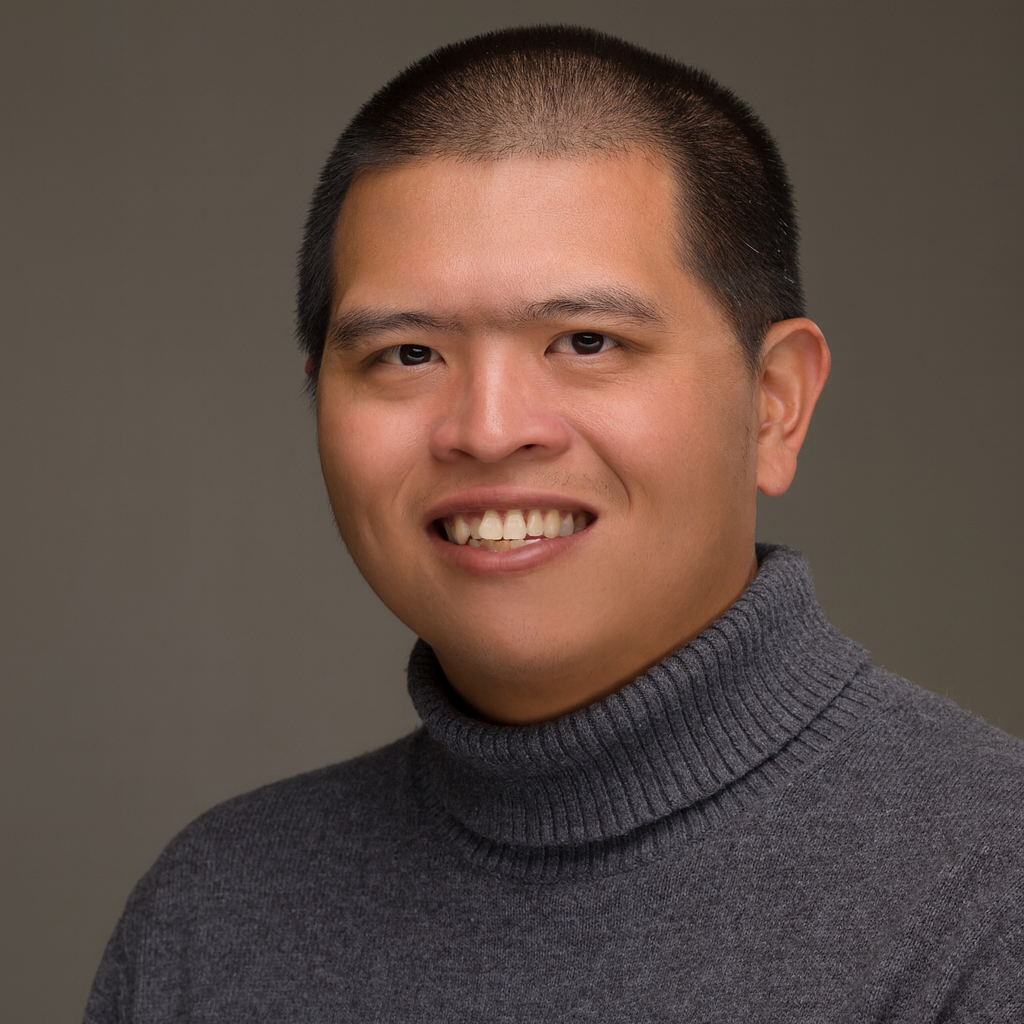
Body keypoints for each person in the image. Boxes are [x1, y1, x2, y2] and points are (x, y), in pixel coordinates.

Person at [84, 25, 1024, 1021]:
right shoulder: (211, 913)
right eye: (407, 355)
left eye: (585, 340)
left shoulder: (989, 896)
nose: (488, 431)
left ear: (774, 403)